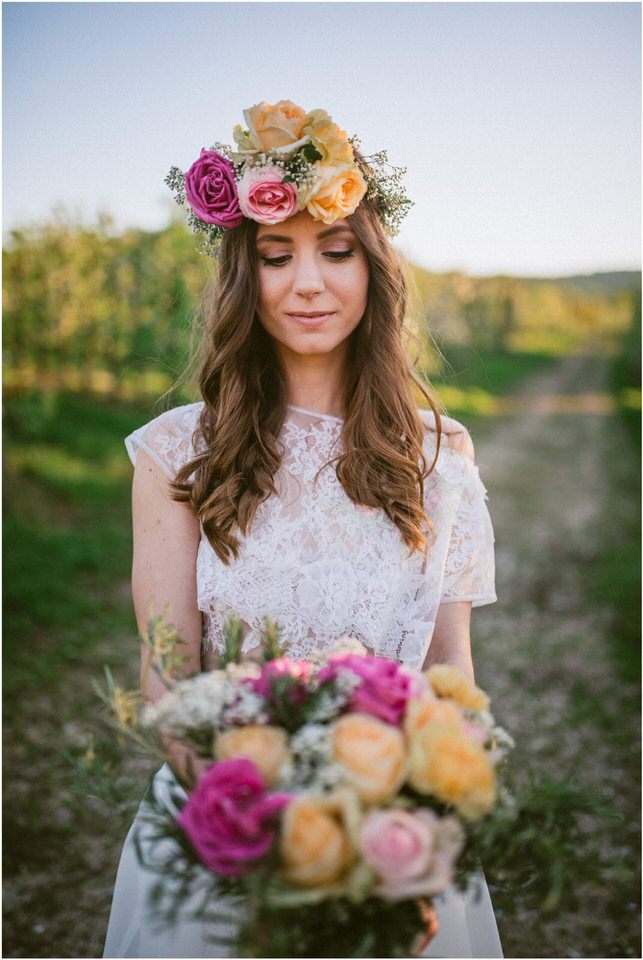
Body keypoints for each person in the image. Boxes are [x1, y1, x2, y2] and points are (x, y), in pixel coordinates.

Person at [102, 99, 504, 958]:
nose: (308, 283)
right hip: (227, 832)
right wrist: (264, 833)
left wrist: (408, 819)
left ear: (374, 269)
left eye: (336, 252)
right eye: (276, 258)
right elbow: (168, 679)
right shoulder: (176, 451)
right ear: (245, 280)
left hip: (392, 833)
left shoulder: (441, 455)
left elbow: (447, 669)